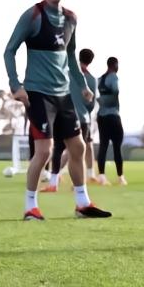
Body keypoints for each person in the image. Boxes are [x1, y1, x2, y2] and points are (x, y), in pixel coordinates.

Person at [3, 0, 111, 220]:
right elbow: (9, 50)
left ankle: (82, 204)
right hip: (38, 93)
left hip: (64, 95)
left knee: (78, 146)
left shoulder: (71, 18)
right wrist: (16, 85)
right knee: (44, 151)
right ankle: (30, 206)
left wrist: (82, 86)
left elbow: (71, 56)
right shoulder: (33, 16)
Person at [42, 48, 98, 192]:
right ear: (91, 61)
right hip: (83, 119)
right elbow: (91, 104)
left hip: (63, 116)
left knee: (58, 149)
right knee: (79, 152)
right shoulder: (92, 80)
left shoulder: (66, 73)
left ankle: (53, 183)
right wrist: (84, 110)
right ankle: (79, 184)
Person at [97, 57, 126, 185]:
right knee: (117, 147)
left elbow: (97, 96)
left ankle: (102, 176)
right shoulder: (113, 77)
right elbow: (116, 90)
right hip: (113, 116)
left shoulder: (100, 79)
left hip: (101, 116)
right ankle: (120, 177)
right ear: (114, 65)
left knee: (103, 146)